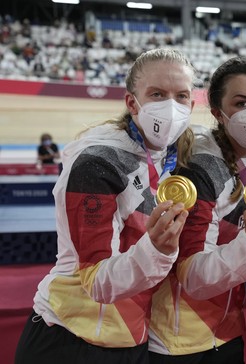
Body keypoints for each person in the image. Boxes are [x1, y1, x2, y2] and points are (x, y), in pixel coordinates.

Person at [14, 48, 197, 364]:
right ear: (131, 102)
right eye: (157, 94)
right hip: (70, 338)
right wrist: (157, 248)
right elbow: (97, 283)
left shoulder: (173, 156)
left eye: (180, 96)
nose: (171, 106)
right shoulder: (96, 163)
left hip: (133, 338)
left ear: (192, 104)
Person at [148, 56, 246, 363]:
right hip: (179, 341)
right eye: (242, 103)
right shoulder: (202, 168)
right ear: (218, 113)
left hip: (224, 330)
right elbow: (191, 275)